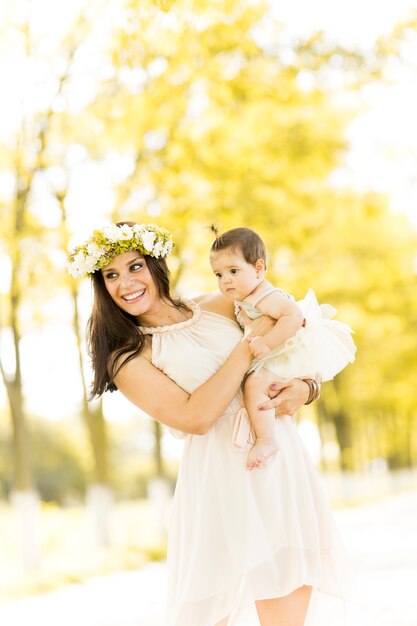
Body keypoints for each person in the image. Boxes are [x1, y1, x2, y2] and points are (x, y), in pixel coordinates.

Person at [67, 222, 351, 626]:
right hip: (219, 477)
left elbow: (292, 346)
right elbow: (195, 417)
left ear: (155, 264)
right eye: (110, 275)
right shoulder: (129, 356)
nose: (125, 283)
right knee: (212, 611)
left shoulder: (221, 304)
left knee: (288, 602)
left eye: (134, 267)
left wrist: (306, 388)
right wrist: (245, 350)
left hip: (276, 460)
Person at [209, 227, 356, 470]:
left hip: (287, 351)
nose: (225, 280)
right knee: (270, 393)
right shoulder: (246, 297)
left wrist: (266, 343)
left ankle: (267, 440)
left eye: (233, 271)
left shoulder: (264, 295)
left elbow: (294, 316)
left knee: (254, 385)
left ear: (258, 268)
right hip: (279, 352)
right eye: (218, 274)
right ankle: (280, 438)